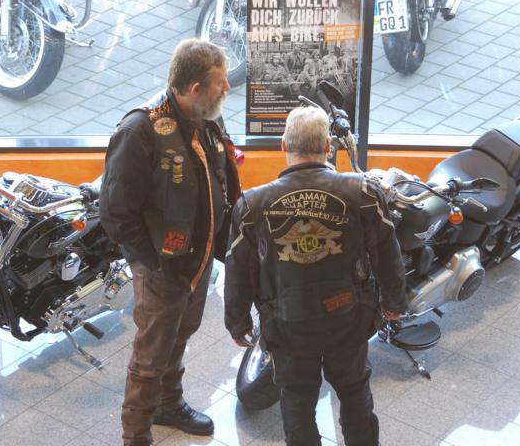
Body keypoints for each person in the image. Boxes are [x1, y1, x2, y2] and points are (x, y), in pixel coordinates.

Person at [224, 106, 406, 446]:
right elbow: (387, 250)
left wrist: (237, 321)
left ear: (283, 146)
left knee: (296, 401)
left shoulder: (251, 205)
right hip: (348, 316)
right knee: (354, 392)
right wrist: (394, 302)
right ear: (327, 146)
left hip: (287, 323)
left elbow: (238, 268)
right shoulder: (364, 192)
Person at [99, 38, 242, 446]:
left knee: (181, 333)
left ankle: (168, 403)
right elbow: (116, 213)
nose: (227, 88)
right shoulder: (139, 131)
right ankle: (136, 436)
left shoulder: (207, 115)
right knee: (151, 355)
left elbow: (221, 177)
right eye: (220, 82)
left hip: (198, 259)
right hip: (162, 266)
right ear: (195, 88)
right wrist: (153, 264)